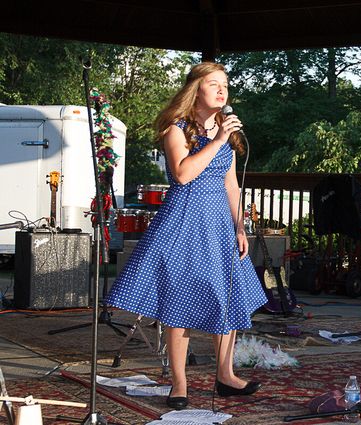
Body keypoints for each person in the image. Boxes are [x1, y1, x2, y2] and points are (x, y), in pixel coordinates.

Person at [107, 62, 267, 409]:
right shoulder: (175, 128)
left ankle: (225, 376)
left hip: (219, 225)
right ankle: (179, 383)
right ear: (196, 89)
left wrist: (240, 226)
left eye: (225, 84)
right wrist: (219, 139)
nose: (223, 91)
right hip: (184, 220)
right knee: (179, 301)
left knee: (227, 296)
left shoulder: (227, 130)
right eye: (214, 84)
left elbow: (230, 184)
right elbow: (182, 174)